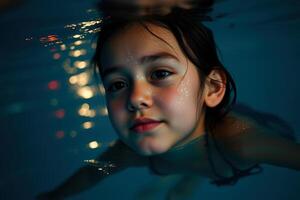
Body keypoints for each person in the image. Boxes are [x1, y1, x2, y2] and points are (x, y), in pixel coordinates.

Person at [37, 0, 300, 199]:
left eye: (160, 73)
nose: (136, 99)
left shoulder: (241, 143)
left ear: (213, 88)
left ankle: (189, 179)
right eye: (117, 84)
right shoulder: (129, 150)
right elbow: (94, 172)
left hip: (258, 133)